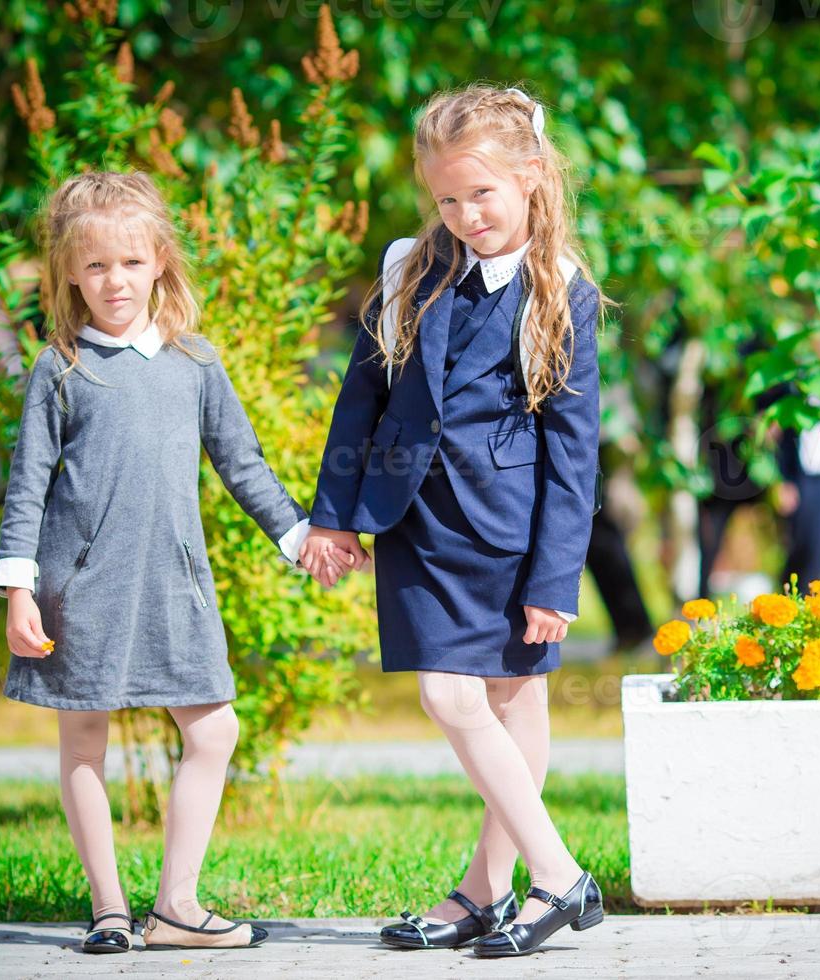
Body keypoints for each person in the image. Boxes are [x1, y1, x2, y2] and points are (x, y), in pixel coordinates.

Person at [300, 84, 606, 957]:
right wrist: (334, 516)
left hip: (509, 537)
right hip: (417, 529)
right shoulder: (409, 268)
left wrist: (555, 580)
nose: (465, 214)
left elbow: (574, 457)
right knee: (450, 695)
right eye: (446, 197)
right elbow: (361, 397)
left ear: (534, 179)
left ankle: (493, 888)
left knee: (512, 699)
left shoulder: (565, 294)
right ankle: (555, 877)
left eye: (483, 194)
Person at [0, 171, 312, 954]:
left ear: (161, 260)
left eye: (131, 263)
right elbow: (27, 485)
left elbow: (244, 466)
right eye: (95, 266)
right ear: (69, 271)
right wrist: (18, 588)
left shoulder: (194, 362)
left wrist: (301, 537)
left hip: (176, 586)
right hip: (82, 588)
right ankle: (108, 909)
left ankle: (176, 906)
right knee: (84, 741)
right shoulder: (58, 368)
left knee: (214, 731)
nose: (114, 281)